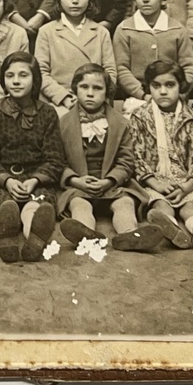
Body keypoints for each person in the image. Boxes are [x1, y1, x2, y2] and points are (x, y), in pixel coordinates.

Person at [55, 65, 163, 253]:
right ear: (75, 89)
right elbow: (56, 160)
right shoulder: (63, 124)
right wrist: (75, 180)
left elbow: (126, 160)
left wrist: (109, 180)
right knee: (79, 204)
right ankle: (87, 235)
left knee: (124, 203)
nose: (90, 94)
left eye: (97, 88)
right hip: (79, 184)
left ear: (107, 93)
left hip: (112, 184)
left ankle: (130, 235)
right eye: (84, 87)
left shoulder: (120, 123)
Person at [125, 61, 193, 250]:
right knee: (161, 206)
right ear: (148, 87)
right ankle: (172, 230)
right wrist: (157, 184)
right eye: (156, 86)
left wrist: (188, 186)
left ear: (181, 87)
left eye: (169, 85)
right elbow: (135, 155)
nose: (163, 91)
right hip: (153, 182)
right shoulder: (139, 118)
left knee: (191, 207)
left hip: (186, 181)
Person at [0, 52, 65, 263]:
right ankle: (6, 235)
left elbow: (54, 159)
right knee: (6, 205)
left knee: (35, 205)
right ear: (3, 80)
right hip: (3, 181)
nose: (16, 81)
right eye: (10, 76)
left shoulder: (48, 113)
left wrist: (35, 180)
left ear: (35, 79)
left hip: (36, 179)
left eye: (23, 75)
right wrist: (7, 180)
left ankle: (33, 238)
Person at [34, 0, 119, 115]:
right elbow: (40, 73)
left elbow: (110, 71)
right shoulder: (47, 32)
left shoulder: (100, 32)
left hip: (95, 101)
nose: (74, 1)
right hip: (58, 102)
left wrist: (95, 96)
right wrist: (64, 97)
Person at [112, 0, 193, 101]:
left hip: (173, 97)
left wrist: (179, 94)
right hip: (137, 99)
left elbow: (189, 67)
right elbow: (122, 69)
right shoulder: (124, 30)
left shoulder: (178, 29)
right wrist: (142, 94)